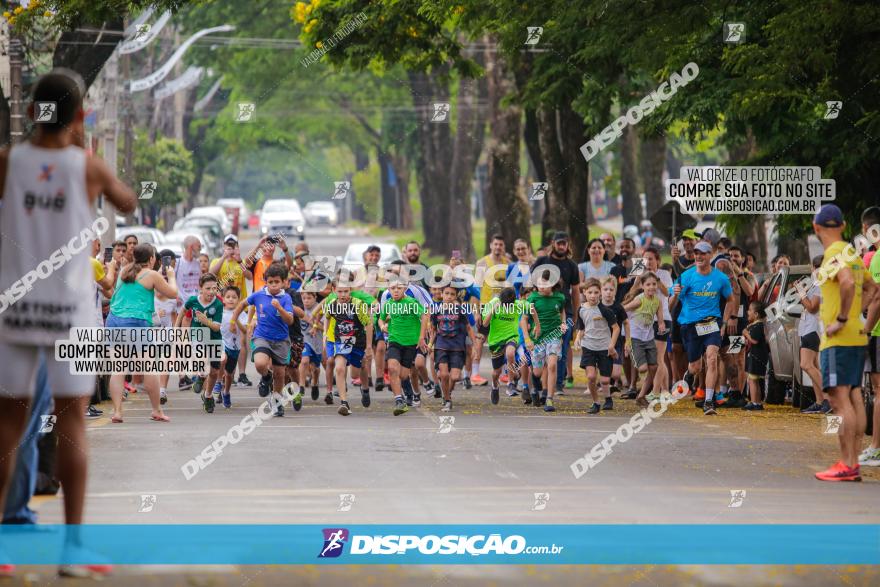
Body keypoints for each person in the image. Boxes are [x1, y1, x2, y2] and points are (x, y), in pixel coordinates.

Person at [812, 205, 879, 481]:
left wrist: (841, 318)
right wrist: (858, 319)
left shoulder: (833, 253)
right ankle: (853, 463)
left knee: (839, 401)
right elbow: (874, 290)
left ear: (817, 229)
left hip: (838, 338)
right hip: (857, 334)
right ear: (842, 225)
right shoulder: (853, 253)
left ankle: (848, 463)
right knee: (853, 397)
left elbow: (848, 283)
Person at [670, 241, 734, 415]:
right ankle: (689, 376)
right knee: (696, 367)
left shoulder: (720, 278)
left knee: (712, 358)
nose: (698, 256)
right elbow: (670, 306)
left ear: (710, 255)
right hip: (690, 325)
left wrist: (725, 322)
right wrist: (675, 295)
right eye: (696, 253)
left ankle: (708, 401)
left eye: (703, 253)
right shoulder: (686, 276)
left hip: (711, 324)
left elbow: (730, 300)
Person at [232, 262, 295, 417]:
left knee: (280, 373)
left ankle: (277, 401)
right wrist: (234, 320)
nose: (273, 285)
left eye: (277, 282)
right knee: (260, 364)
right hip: (262, 336)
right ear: (266, 281)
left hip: (280, 340)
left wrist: (279, 308)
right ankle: (266, 377)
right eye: (270, 282)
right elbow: (242, 304)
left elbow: (290, 321)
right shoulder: (259, 294)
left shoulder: (285, 298)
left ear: (283, 283)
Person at [531, 231, 580, 396]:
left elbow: (575, 291)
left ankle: (558, 384)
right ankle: (539, 382)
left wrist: (575, 315)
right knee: (540, 350)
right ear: (553, 243)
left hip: (565, 312)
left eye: (564, 243)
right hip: (541, 312)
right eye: (558, 243)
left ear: (568, 245)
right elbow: (532, 284)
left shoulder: (572, 265)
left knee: (562, 348)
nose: (561, 246)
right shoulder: (542, 261)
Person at [379, 281, 429, 416]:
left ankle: (414, 390)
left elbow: (424, 316)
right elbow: (380, 318)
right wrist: (383, 325)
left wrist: (421, 337)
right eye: (393, 288)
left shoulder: (411, 303)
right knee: (392, 368)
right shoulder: (388, 304)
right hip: (394, 340)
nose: (395, 291)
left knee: (403, 375)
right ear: (388, 290)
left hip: (411, 343)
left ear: (405, 289)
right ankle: (399, 401)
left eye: (399, 288)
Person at [322, 282, 373, 416]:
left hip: (358, 341)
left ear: (350, 290)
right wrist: (325, 334)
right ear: (334, 290)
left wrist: (368, 346)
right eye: (340, 291)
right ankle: (344, 403)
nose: (343, 294)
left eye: (346, 291)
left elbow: (368, 324)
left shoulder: (357, 304)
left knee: (356, 373)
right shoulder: (332, 304)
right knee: (339, 367)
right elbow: (327, 317)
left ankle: (365, 388)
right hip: (342, 341)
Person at [177, 273, 224, 413]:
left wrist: (206, 321)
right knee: (201, 357)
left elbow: (216, 327)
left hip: (214, 339)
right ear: (201, 288)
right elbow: (182, 312)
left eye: (214, 288)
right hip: (197, 336)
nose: (211, 291)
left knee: (215, 371)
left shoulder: (218, 304)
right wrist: (176, 328)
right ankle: (201, 376)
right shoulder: (193, 300)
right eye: (208, 288)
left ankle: (208, 396)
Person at [574, 278, 620, 414]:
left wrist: (611, 346)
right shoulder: (581, 309)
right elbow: (581, 328)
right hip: (588, 347)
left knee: (605, 380)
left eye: (596, 292)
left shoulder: (605, 310)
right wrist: (577, 338)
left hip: (604, 347)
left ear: (600, 293)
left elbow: (616, 328)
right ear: (584, 293)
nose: (593, 295)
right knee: (591, 377)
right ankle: (595, 402)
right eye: (590, 292)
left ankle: (608, 398)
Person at [522, 275, 567, 413]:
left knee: (552, 365)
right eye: (540, 283)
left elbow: (561, 312)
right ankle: (535, 387)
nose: (541, 286)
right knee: (537, 372)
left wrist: (563, 323)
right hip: (537, 339)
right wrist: (527, 339)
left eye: (545, 284)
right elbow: (523, 320)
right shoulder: (532, 298)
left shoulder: (560, 298)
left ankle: (549, 399)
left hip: (554, 336)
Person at [622, 273, 666, 407]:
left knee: (654, 367)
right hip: (635, 338)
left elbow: (660, 319)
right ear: (642, 286)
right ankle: (634, 357)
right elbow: (623, 309)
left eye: (654, 284)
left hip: (649, 338)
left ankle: (641, 396)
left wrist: (661, 325)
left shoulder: (658, 301)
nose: (652, 287)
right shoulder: (639, 300)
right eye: (648, 284)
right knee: (642, 368)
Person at [429, 285, 475, 412]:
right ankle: (447, 400)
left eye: (452, 294)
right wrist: (430, 345)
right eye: (447, 293)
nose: (449, 296)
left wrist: (475, 346)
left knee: (454, 377)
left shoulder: (460, 310)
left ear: (455, 297)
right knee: (443, 375)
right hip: (441, 345)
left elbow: (469, 328)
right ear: (442, 294)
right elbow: (433, 330)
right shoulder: (436, 310)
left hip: (457, 347)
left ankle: (447, 394)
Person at [474, 235, 511, 386]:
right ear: (491, 245)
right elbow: (476, 288)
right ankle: (475, 373)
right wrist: (476, 311)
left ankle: (503, 374)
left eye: (500, 245)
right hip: (485, 306)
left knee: (502, 339)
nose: (498, 247)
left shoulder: (508, 263)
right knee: (480, 338)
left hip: (502, 308)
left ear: (503, 247)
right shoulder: (482, 263)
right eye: (495, 244)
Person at [482, 287, 527, 402]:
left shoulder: (518, 304)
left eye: (510, 305)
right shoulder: (492, 304)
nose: (507, 307)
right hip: (496, 341)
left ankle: (510, 383)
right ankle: (495, 386)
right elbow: (485, 324)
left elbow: (533, 309)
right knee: (496, 373)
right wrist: (493, 310)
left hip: (512, 337)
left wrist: (538, 326)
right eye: (504, 305)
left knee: (510, 353)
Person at [861, 206, 880, 467]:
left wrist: (865, 331)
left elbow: (877, 298)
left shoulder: (876, 257)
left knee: (878, 391)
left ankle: (876, 447)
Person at [798, 255, 830, 414]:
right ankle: (819, 401)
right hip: (808, 327)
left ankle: (828, 398)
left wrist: (801, 293)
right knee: (814, 365)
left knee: (806, 364)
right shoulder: (817, 281)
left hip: (813, 327)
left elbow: (812, 307)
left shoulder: (819, 280)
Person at [153, 249, 178, 404]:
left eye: (166, 280)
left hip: (167, 336)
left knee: (166, 362)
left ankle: (162, 391)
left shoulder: (172, 299)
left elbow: (175, 319)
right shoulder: (149, 298)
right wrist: (155, 316)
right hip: (152, 337)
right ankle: (155, 389)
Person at [600, 276, 630, 395]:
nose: (608, 292)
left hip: (616, 343)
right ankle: (605, 385)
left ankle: (612, 382)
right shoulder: (597, 307)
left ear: (615, 291)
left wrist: (628, 342)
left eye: (611, 290)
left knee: (616, 374)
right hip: (600, 342)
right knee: (603, 370)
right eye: (605, 289)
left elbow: (626, 323)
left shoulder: (618, 307)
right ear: (601, 290)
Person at [742, 301, 769, 411]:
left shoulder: (758, 326)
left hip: (756, 356)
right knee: (755, 380)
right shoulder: (755, 325)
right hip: (756, 355)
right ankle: (758, 402)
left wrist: (746, 334)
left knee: (752, 380)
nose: (748, 312)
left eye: (750, 310)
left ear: (756, 314)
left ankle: (754, 402)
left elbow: (754, 340)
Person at [219, 286, 243, 409]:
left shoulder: (241, 314)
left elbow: (244, 330)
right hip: (221, 343)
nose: (231, 299)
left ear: (239, 299)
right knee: (222, 359)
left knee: (229, 374)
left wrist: (236, 319)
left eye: (234, 297)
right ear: (223, 299)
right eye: (228, 297)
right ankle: (218, 382)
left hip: (235, 346)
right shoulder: (219, 312)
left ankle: (226, 392)